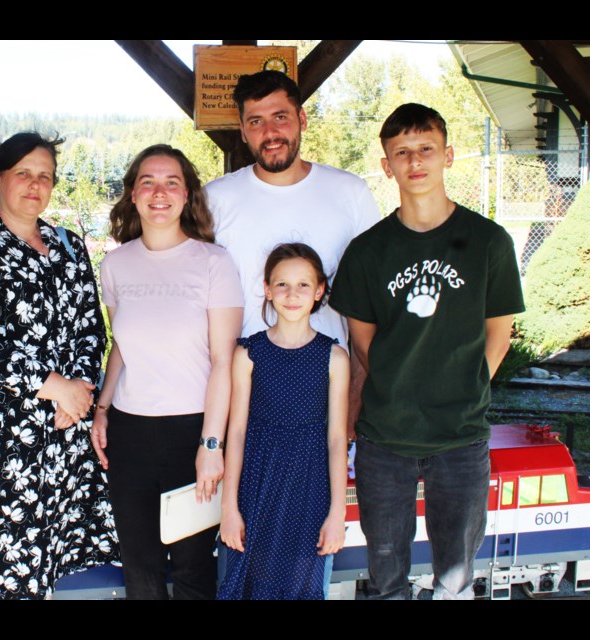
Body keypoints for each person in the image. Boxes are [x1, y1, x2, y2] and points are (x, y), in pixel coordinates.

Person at [329, 103, 525, 599]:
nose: (415, 161)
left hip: (460, 434)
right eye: (402, 153)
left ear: (448, 155)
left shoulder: (488, 242)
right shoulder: (368, 251)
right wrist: (400, 388)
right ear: (386, 164)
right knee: (385, 576)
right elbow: (363, 342)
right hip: (385, 437)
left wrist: (460, 389)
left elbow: (497, 336)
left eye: (426, 149)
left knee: (455, 579)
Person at [0, 132, 117, 599]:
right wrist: (57, 387)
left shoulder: (70, 246)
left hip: (62, 427)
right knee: (0, 562)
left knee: (46, 558)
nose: (35, 185)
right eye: (23, 173)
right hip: (2, 434)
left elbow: (90, 329)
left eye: (45, 176)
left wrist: (79, 389)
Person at [91, 145, 243, 599]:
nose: (160, 192)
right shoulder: (115, 265)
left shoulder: (214, 262)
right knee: (140, 566)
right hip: (130, 432)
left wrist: (211, 445)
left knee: (194, 565)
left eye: (171, 182)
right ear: (133, 195)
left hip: (191, 432)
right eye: (148, 182)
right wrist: (102, 409)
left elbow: (223, 361)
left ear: (187, 195)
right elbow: (122, 345)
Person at [205, 70, 380, 430]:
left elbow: (371, 306)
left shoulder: (349, 194)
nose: (270, 133)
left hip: (326, 394)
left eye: (280, 117)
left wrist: (354, 401)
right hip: (242, 397)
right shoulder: (215, 199)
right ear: (242, 130)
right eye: (256, 121)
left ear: (301, 119)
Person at [218, 243, 348, 600]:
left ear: (319, 289)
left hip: (310, 487)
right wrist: (229, 508)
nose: (292, 295)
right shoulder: (248, 353)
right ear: (267, 288)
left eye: (303, 285)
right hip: (256, 486)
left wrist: (337, 513)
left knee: (301, 586)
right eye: (282, 285)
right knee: (248, 584)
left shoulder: (333, 357)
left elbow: (337, 439)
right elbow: (238, 431)